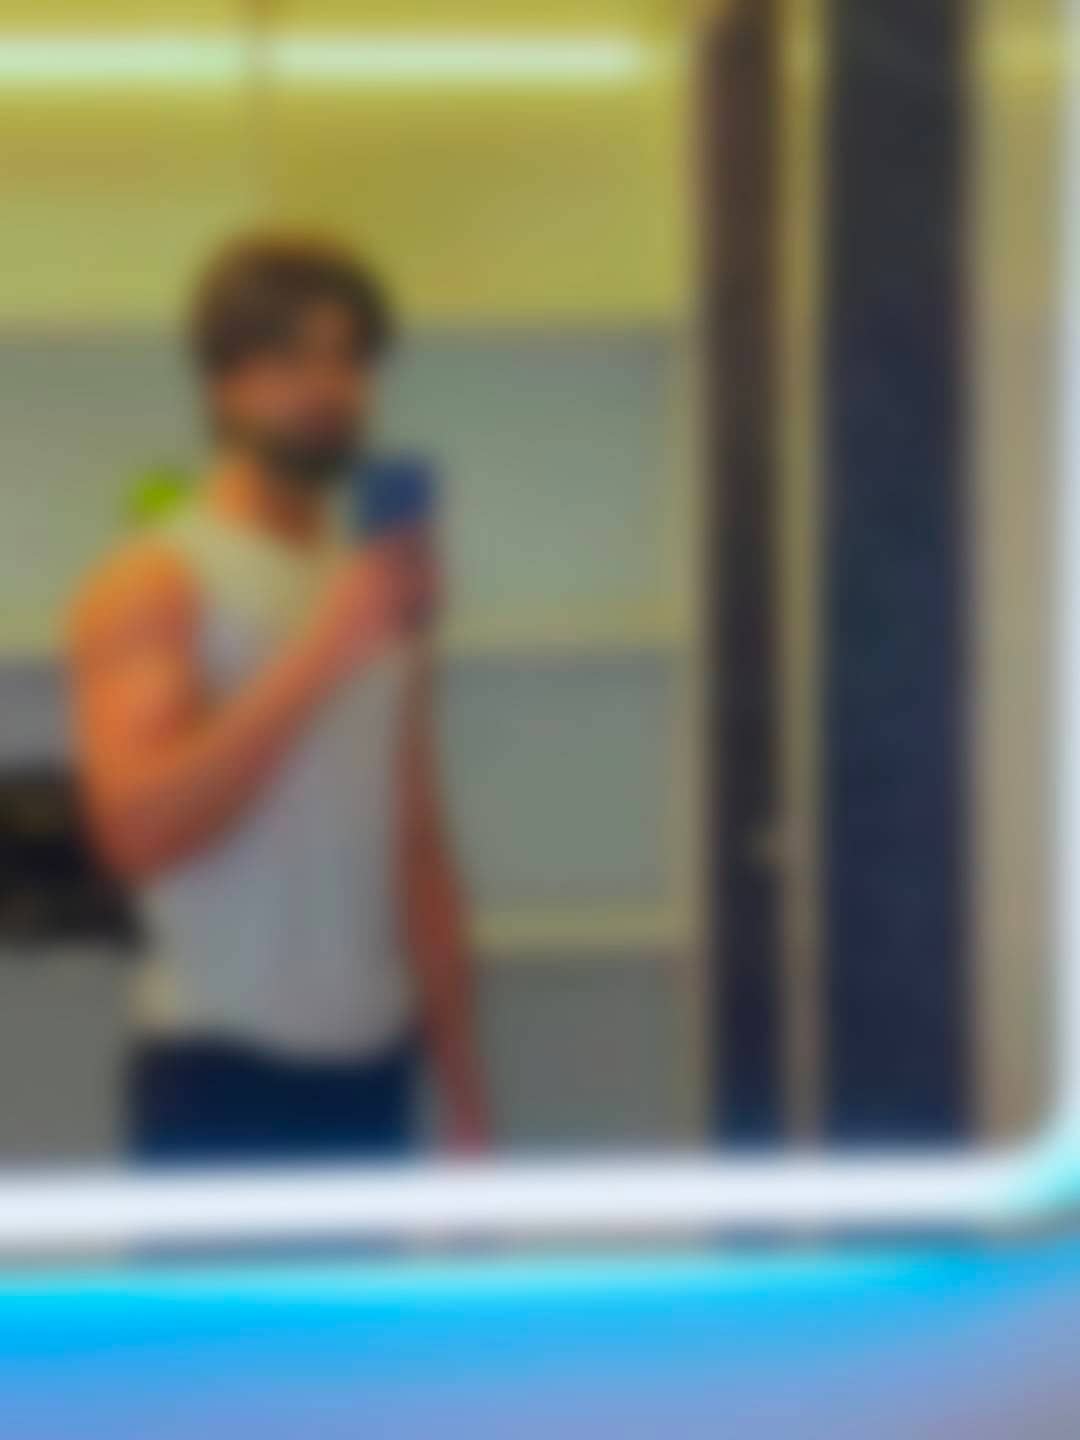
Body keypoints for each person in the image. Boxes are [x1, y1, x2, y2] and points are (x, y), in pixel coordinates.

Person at [68, 234, 489, 1163]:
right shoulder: (155, 579)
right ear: (223, 386)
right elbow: (137, 834)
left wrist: (464, 1094)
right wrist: (327, 650)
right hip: (220, 1066)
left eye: (349, 359)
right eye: (291, 358)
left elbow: (417, 841)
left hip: (375, 1063)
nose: (328, 386)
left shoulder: (377, 585)